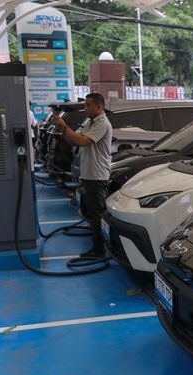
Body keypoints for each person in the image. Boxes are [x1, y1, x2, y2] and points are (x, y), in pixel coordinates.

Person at [51, 92, 113, 258]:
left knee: (98, 214)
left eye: (88, 105)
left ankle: (100, 250)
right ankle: (97, 247)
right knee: (92, 213)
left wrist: (65, 127)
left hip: (97, 175)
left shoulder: (102, 124)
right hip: (88, 174)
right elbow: (75, 139)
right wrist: (62, 129)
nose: (85, 108)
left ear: (99, 107)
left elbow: (83, 141)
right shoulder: (90, 122)